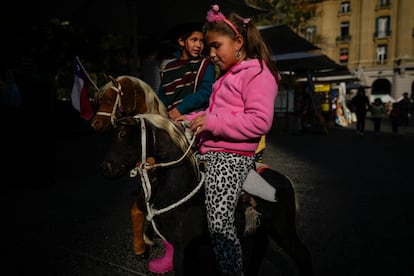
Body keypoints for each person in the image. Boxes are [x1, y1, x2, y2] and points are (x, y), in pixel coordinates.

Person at [175, 4, 280, 275]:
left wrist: (213, 122)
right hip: (209, 151)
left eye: (215, 46)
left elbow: (259, 121)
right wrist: (189, 119)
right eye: (208, 48)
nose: (211, 54)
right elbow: (213, 113)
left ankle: (233, 271)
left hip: (231, 157)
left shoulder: (258, 74)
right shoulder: (226, 77)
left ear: (238, 42)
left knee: (219, 223)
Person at [158, 21, 216, 120]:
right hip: (170, 119)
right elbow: (162, 96)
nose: (198, 45)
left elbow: (206, 92)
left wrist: (180, 109)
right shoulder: (168, 68)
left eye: (201, 41)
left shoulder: (205, 64)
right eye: (194, 40)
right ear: (181, 41)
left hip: (195, 119)